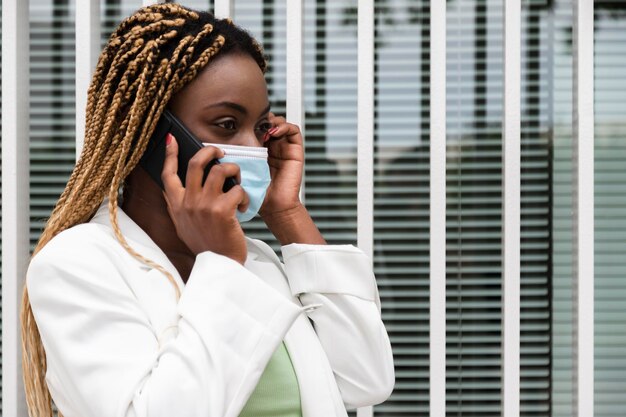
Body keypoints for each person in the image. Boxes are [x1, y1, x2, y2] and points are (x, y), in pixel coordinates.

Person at [21, 4, 394, 417]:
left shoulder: (257, 263)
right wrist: (220, 263)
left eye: (260, 127)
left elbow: (367, 380)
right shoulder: (77, 263)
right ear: (154, 134)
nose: (255, 150)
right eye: (227, 125)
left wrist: (287, 216)